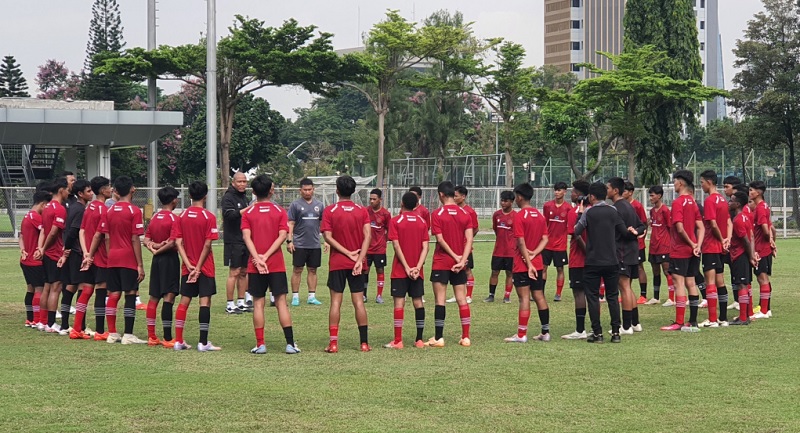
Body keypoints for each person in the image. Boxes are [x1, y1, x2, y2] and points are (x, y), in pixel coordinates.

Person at [84, 176, 147, 344]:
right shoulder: (134, 211)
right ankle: (128, 334)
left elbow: (104, 236)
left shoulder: (108, 210)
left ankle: (112, 333)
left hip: (112, 257)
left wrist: (91, 254)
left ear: (116, 191)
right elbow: (135, 239)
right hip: (127, 257)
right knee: (131, 294)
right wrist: (140, 264)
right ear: (132, 189)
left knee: (113, 294)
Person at [242, 175, 300, 354]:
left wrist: (258, 258)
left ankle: (260, 344)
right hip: (275, 264)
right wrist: (266, 257)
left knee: (258, 303)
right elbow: (283, 236)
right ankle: (290, 344)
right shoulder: (280, 211)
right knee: (281, 302)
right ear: (271, 190)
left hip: (255, 264)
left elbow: (246, 237)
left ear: (253, 192)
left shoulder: (248, 213)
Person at [574, 182, 630, 343]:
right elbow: (623, 232)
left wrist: (580, 213)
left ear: (591, 197)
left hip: (593, 261)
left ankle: (597, 333)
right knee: (612, 296)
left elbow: (576, 231)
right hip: (612, 260)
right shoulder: (613, 211)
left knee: (592, 297)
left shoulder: (589, 213)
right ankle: (616, 332)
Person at [320, 175, 371, 353]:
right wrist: (359, 258)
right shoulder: (362, 210)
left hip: (337, 263)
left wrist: (346, 253)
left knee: (336, 302)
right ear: (354, 190)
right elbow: (368, 236)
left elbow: (327, 236)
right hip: (357, 263)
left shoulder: (330, 210)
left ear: (337, 190)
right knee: (359, 302)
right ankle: (364, 343)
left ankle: (333, 343)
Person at [425, 181, 474, 348]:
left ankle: (439, 338)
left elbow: (439, 239)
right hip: (460, 263)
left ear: (441, 195)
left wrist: (454, 256)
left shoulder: (437, 214)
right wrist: (462, 260)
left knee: (440, 300)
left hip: (441, 262)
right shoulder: (464, 213)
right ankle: (466, 337)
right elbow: (469, 239)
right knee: (462, 299)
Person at [174, 181, 221, 351]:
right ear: (206, 196)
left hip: (188, 267)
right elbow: (207, 245)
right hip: (205, 267)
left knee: (184, 302)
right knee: (204, 302)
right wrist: (198, 267)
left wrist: (189, 265)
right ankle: (203, 343)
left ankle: (178, 341)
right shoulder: (209, 217)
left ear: (189, 195)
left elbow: (178, 242)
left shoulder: (182, 216)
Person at [504, 183, 550, 343]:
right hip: (537, 263)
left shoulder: (518, 216)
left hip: (523, 265)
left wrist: (528, 262)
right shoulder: (539, 215)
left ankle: (521, 335)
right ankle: (545, 332)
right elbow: (545, 238)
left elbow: (521, 242)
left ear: (520, 197)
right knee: (539, 295)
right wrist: (536, 253)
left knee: (524, 298)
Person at [661, 170, 705, 332]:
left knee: (679, 283)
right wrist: (697, 245)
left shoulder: (678, 202)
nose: (674, 185)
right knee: (691, 283)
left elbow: (679, 228)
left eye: (674, 182)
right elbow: (700, 227)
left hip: (680, 250)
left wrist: (691, 244)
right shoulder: (693, 202)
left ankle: (679, 322)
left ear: (680, 183)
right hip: (693, 250)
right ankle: (692, 321)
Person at [384, 192, 430, 349]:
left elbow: (396, 246)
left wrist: (407, 267)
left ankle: (398, 341)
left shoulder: (396, 221)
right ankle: (419, 340)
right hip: (418, 271)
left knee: (399, 303)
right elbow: (426, 247)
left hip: (400, 270)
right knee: (418, 302)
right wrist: (417, 266)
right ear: (417, 205)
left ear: (401, 203)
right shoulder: (422, 222)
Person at [74, 176, 112, 341]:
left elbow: (81, 232)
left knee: (86, 291)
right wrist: (91, 254)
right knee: (100, 292)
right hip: (100, 257)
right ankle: (100, 331)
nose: (111, 189)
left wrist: (86, 253)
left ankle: (76, 329)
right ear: (103, 190)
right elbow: (100, 236)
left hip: (88, 256)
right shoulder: (104, 210)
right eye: (109, 187)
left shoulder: (88, 208)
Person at [142, 187, 181, 347]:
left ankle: (151, 336)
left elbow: (146, 239)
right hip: (169, 260)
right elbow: (172, 242)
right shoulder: (174, 219)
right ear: (174, 200)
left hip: (156, 262)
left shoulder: (155, 218)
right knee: (169, 296)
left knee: (154, 297)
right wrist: (159, 250)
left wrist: (153, 248)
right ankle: (167, 337)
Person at [607, 178, 645, 335]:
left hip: (622, 251)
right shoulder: (628, 206)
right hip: (631, 251)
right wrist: (636, 232)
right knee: (627, 286)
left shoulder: (617, 208)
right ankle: (635, 323)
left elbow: (626, 231)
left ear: (615, 190)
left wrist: (632, 233)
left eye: (608, 188)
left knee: (624, 287)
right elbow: (642, 225)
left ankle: (627, 326)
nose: (606, 190)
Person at [56, 179, 92, 335]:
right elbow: (73, 231)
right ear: (80, 194)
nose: (91, 193)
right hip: (76, 252)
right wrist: (69, 249)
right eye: (88, 191)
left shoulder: (74, 208)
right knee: (82, 288)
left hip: (72, 252)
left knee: (70, 287)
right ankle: (80, 326)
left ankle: (65, 324)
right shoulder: (80, 210)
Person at [698, 170, 732, 327]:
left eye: (702, 182)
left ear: (709, 182)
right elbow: (727, 222)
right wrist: (726, 240)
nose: (701, 186)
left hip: (711, 246)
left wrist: (720, 238)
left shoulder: (710, 200)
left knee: (710, 282)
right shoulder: (723, 200)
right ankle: (723, 318)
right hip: (720, 247)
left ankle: (712, 319)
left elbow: (712, 223)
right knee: (720, 281)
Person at [37, 177, 69, 332]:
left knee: (47, 287)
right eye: (68, 189)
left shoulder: (47, 207)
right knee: (56, 288)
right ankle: (50, 323)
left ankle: (42, 322)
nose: (69, 192)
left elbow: (43, 230)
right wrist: (43, 248)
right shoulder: (59, 208)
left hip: (47, 253)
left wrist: (40, 248)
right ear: (61, 190)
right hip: (55, 253)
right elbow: (53, 232)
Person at [286, 178, 325, 306]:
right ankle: (295, 297)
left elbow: (323, 224)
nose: (307, 192)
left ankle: (311, 296)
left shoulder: (319, 205)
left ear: (313, 189)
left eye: (310, 190)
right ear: (300, 190)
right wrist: (289, 241)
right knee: (297, 269)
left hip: (314, 244)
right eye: (305, 190)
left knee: (313, 270)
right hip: (299, 243)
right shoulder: (295, 205)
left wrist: (326, 241)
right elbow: (290, 223)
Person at [222, 172, 253, 314]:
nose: (242, 184)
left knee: (244, 272)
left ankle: (241, 301)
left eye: (244, 181)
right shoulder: (228, 197)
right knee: (234, 272)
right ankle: (230, 304)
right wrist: (248, 209)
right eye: (239, 181)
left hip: (245, 240)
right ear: (233, 182)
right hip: (233, 240)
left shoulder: (244, 197)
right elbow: (229, 215)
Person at [562, 180, 590, 339]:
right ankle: (595, 327)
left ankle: (580, 330)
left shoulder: (574, 213)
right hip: (595, 260)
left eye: (573, 191)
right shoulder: (594, 210)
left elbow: (575, 234)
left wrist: (587, 250)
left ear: (579, 195)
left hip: (578, 260)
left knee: (579, 293)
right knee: (592, 294)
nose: (570, 194)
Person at [20, 190, 50, 328]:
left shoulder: (26, 215)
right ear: (43, 204)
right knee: (40, 289)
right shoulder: (36, 217)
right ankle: (37, 319)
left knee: (30, 289)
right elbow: (45, 231)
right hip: (35, 260)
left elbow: (21, 236)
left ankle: (30, 318)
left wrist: (22, 250)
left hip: (25, 260)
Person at [727, 191, 757, 326]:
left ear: (737, 204)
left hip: (739, 255)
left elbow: (745, 239)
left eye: (731, 200)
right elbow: (751, 236)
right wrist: (752, 254)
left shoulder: (738, 219)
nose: (729, 202)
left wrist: (751, 256)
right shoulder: (745, 216)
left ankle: (743, 317)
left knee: (741, 284)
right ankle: (746, 315)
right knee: (744, 284)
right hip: (744, 255)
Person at [749, 180, 776, 319]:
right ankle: (767, 309)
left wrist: (767, 239)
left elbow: (766, 229)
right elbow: (772, 228)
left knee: (762, 278)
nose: (750, 193)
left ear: (758, 192)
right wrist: (771, 241)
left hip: (760, 248)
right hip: (764, 247)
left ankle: (764, 311)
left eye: (751, 190)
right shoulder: (765, 206)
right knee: (763, 278)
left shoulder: (760, 207)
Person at [447, 185, 478, 304]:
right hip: (453, 246)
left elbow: (475, 229)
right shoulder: (452, 210)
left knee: (467, 270)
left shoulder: (470, 212)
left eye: (456, 196)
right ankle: (457, 294)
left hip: (465, 248)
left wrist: (467, 240)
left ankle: (468, 295)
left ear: (463, 196)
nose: (454, 198)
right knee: (454, 270)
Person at [485, 191, 516, 303]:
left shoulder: (516, 216)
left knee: (509, 273)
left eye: (506, 201)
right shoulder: (497, 215)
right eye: (502, 200)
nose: (503, 203)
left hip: (511, 251)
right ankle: (491, 295)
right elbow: (496, 230)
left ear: (512, 202)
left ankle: (507, 296)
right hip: (498, 251)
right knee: (494, 272)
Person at [542, 182, 570, 302]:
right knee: (543, 268)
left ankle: (558, 293)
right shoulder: (548, 206)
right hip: (547, 244)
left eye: (559, 190)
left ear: (565, 192)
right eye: (556, 190)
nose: (557, 192)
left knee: (560, 269)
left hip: (560, 245)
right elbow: (544, 224)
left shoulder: (568, 208)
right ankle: (540, 292)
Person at [646, 186, 674, 306]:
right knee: (655, 271)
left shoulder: (665, 211)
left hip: (664, 245)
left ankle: (671, 298)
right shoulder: (652, 211)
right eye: (650, 195)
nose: (650, 198)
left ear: (659, 196)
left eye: (652, 195)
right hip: (653, 246)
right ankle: (656, 297)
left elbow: (671, 228)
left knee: (667, 271)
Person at [623, 182, 649, 304]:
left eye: (625, 191)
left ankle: (643, 295)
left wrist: (641, 236)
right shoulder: (621, 205)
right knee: (626, 267)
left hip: (637, 243)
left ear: (631, 192)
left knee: (639, 266)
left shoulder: (637, 206)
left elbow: (644, 223)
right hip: (625, 243)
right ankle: (627, 292)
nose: (623, 193)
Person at [365, 188, 391, 304]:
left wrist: (383, 241)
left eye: (374, 199)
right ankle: (364, 295)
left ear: (380, 199)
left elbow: (389, 231)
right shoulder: (365, 211)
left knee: (380, 270)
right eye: (370, 199)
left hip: (380, 249)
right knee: (364, 271)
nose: (371, 201)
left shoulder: (386, 214)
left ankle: (379, 295)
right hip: (366, 248)